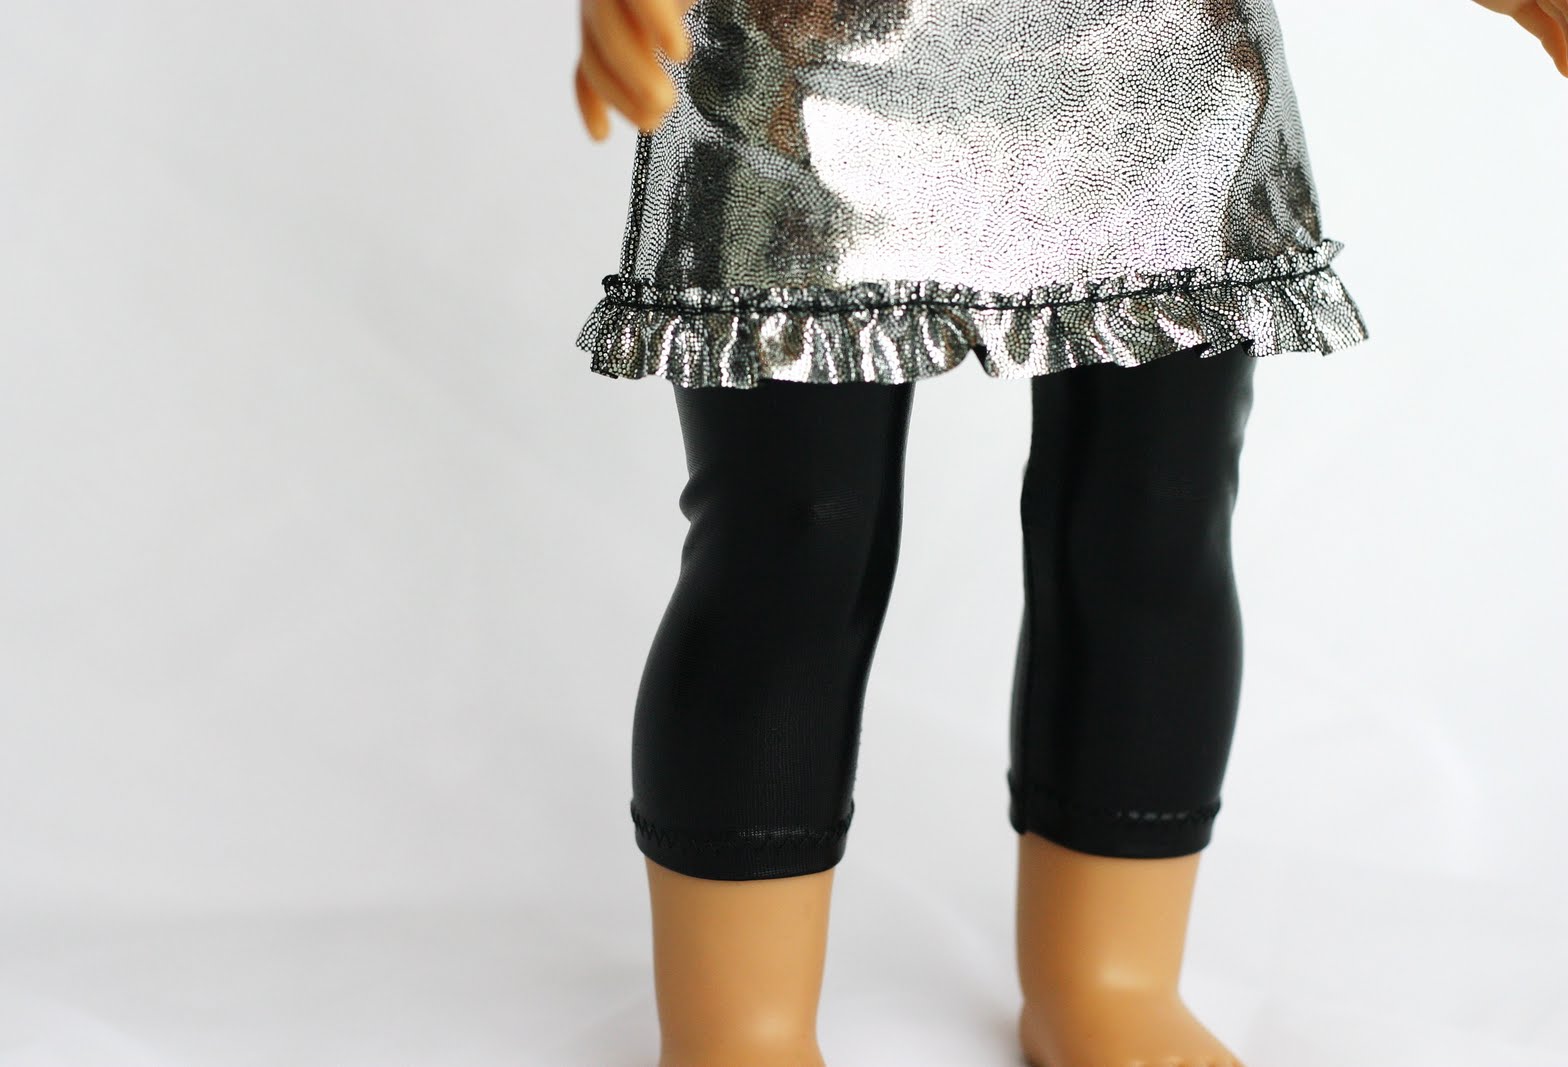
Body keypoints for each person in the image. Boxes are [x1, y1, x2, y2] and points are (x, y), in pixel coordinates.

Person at [568, 3, 1567, 1066]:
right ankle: (738, 1025)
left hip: (1164, 54)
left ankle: (1110, 977)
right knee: (790, 535)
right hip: (801, 45)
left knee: (1154, 511)